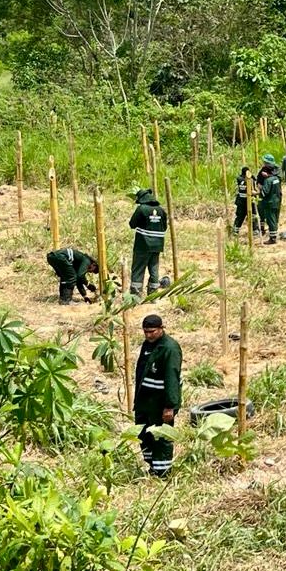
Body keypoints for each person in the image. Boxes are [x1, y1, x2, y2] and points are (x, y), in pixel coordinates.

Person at [133, 314, 182, 479]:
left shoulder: (170, 348)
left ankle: (163, 472)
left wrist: (170, 406)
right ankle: (152, 467)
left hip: (160, 403)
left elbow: (172, 378)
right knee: (144, 434)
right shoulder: (147, 345)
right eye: (145, 332)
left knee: (160, 436)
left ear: (161, 329)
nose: (148, 335)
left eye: (152, 332)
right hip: (145, 401)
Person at [128, 188, 169, 297]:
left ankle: (135, 295)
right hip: (158, 245)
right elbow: (164, 227)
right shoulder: (161, 210)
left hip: (143, 245)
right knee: (154, 269)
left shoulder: (141, 209)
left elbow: (132, 224)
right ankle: (153, 295)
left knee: (138, 269)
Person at [257, 154, 282, 240]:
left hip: (271, 197)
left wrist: (260, 189)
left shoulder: (276, 172)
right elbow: (259, 180)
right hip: (274, 197)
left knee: (271, 216)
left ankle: (273, 236)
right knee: (264, 213)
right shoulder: (263, 171)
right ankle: (267, 229)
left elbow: (264, 190)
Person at [234, 165, 258, 236]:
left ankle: (236, 230)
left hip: (240, 201)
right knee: (253, 215)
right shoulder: (250, 180)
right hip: (249, 201)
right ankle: (255, 230)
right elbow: (253, 188)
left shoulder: (239, 179)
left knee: (240, 216)